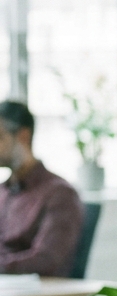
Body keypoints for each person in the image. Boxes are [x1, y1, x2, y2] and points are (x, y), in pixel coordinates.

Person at [0, 101, 84, 276]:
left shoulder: (60, 194)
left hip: (37, 291)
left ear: (23, 136)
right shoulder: (4, 191)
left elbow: (46, 260)